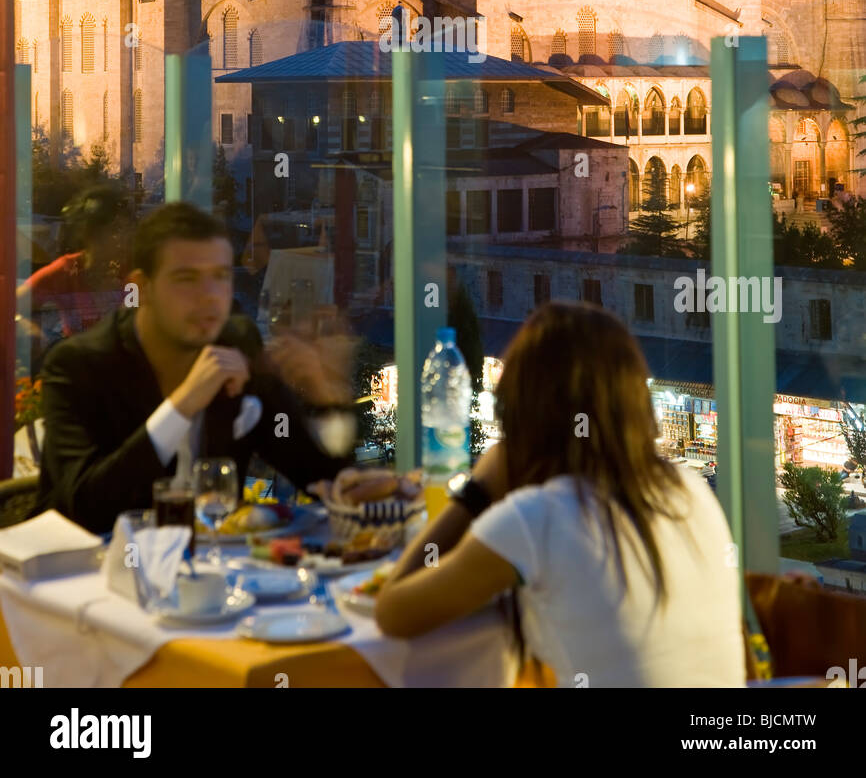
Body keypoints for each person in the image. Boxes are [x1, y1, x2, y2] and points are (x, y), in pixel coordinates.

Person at [375, 301, 746, 688]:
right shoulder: (688, 488)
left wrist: (477, 491)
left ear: (524, 411)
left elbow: (392, 612)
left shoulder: (538, 519)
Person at [34, 203, 357, 535]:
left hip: (213, 575)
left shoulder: (237, 344)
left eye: (220, 277)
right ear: (142, 288)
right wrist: (183, 404)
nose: (209, 297)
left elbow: (322, 481)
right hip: (82, 578)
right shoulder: (79, 365)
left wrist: (329, 397)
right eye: (186, 278)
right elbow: (85, 510)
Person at [16, 186, 134, 368]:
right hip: (80, 375)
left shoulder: (130, 271)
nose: (122, 238)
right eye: (115, 230)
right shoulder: (67, 271)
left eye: (124, 230)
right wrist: (27, 330)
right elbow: (11, 306)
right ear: (91, 234)